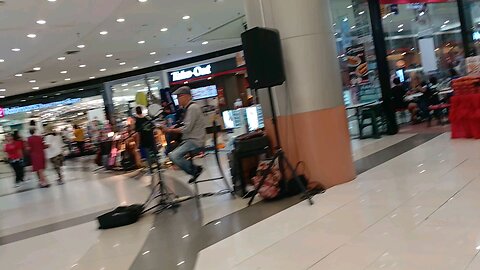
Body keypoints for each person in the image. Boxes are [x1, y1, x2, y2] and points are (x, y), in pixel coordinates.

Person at [162, 86, 207, 183]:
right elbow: (187, 125)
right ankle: (193, 169)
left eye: (179, 97)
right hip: (191, 140)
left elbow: (187, 128)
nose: (178, 99)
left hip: (195, 141)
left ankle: (195, 170)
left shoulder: (192, 108)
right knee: (172, 150)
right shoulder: (190, 108)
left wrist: (170, 130)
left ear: (187, 96)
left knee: (173, 156)